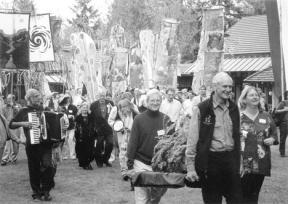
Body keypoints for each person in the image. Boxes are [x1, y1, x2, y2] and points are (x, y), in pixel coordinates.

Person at [186, 72, 242, 204]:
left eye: (230, 87)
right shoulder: (202, 109)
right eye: (225, 86)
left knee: (237, 200)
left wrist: (240, 162)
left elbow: (238, 137)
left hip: (231, 160)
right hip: (211, 162)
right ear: (215, 87)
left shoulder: (234, 108)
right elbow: (192, 139)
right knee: (212, 201)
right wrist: (190, 167)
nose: (228, 90)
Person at [9, 89, 53, 201]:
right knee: (34, 169)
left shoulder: (45, 109)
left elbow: (54, 121)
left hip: (46, 144)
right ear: (29, 99)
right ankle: (37, 193)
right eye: (36, 97)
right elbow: (11, 124)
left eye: (39, 96)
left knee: (48, 166)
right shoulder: (24, 111)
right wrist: (23, 123)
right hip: (32, 145)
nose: (39, 98)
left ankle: (46, 191)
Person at [127, 89, 170, 204]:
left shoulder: (166, 119)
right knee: (141, 198)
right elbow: (133, 142)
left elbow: (170, 144)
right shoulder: (139, 119)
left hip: (159, 166)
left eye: (158, 100)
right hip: (140, 163)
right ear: (147, 102)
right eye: (152, 100)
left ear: (161, 102)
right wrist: (129, 164)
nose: (155, 103)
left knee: (155, 198)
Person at [238, 85, 278, 204]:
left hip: (261, 163)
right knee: (241, 195)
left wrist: (272, 139)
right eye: (251, 95)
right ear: (244, 99)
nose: (255, 97)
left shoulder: (265, 116)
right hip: (242, 163)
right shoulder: (238, 117)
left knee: (254, 195)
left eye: (257, 95)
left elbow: (275, 134)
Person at [90, 91, 114, 167]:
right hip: (98, 128)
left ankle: (105, 159)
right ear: (98, 96)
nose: (102, 97)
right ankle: (99, 161)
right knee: (99, 145)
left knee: (110, 143)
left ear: (105, 96)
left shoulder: (110, 103)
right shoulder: (93, 105)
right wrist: (93, 127)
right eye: (100, 96)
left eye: (103, 96)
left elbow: (114, 113)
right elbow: (91, 117)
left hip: (108, 127)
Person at [1, 94, 22, 166]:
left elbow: (19, 114)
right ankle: (4, 159)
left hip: (15, 126)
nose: (8, 100)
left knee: (16, 144)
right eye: (7, 99)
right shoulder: (4, 107)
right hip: (6, 126)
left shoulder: (18, 106)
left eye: (10, 99)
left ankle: (13, 158)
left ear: (14, 99)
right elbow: (2, 116)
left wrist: (13, 107)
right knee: (6, 144)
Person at [75, 103, 96, 170]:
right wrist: (76, 137)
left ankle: (87, 163)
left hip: (90, 137)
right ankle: (86, 164)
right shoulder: (78, 118)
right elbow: (76, 128)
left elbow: (94, 125)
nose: (84, 109)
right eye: (83, 108)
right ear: (81, 109)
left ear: (87, 109)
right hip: (81, 138)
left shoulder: (91, 117)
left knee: (91, 152)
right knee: (82, 152)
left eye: (86, 108)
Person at [58, 94, 78, 160]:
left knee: (71, 140)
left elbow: (77, 116)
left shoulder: (74, 107)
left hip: (72, 127)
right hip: (63, 127)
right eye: (66, 98)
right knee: (65, 141)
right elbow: (58, 116)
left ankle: (72, 155)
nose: (68, 99)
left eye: (69, 98)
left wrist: (73, 117)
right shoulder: (61, 107)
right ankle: (65, 155)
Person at [275, 91, 288, 157]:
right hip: (284, 123)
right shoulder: (283, 103)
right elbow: (276, 111)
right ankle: (282, 153)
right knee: (283, 139)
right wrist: (284, 110)